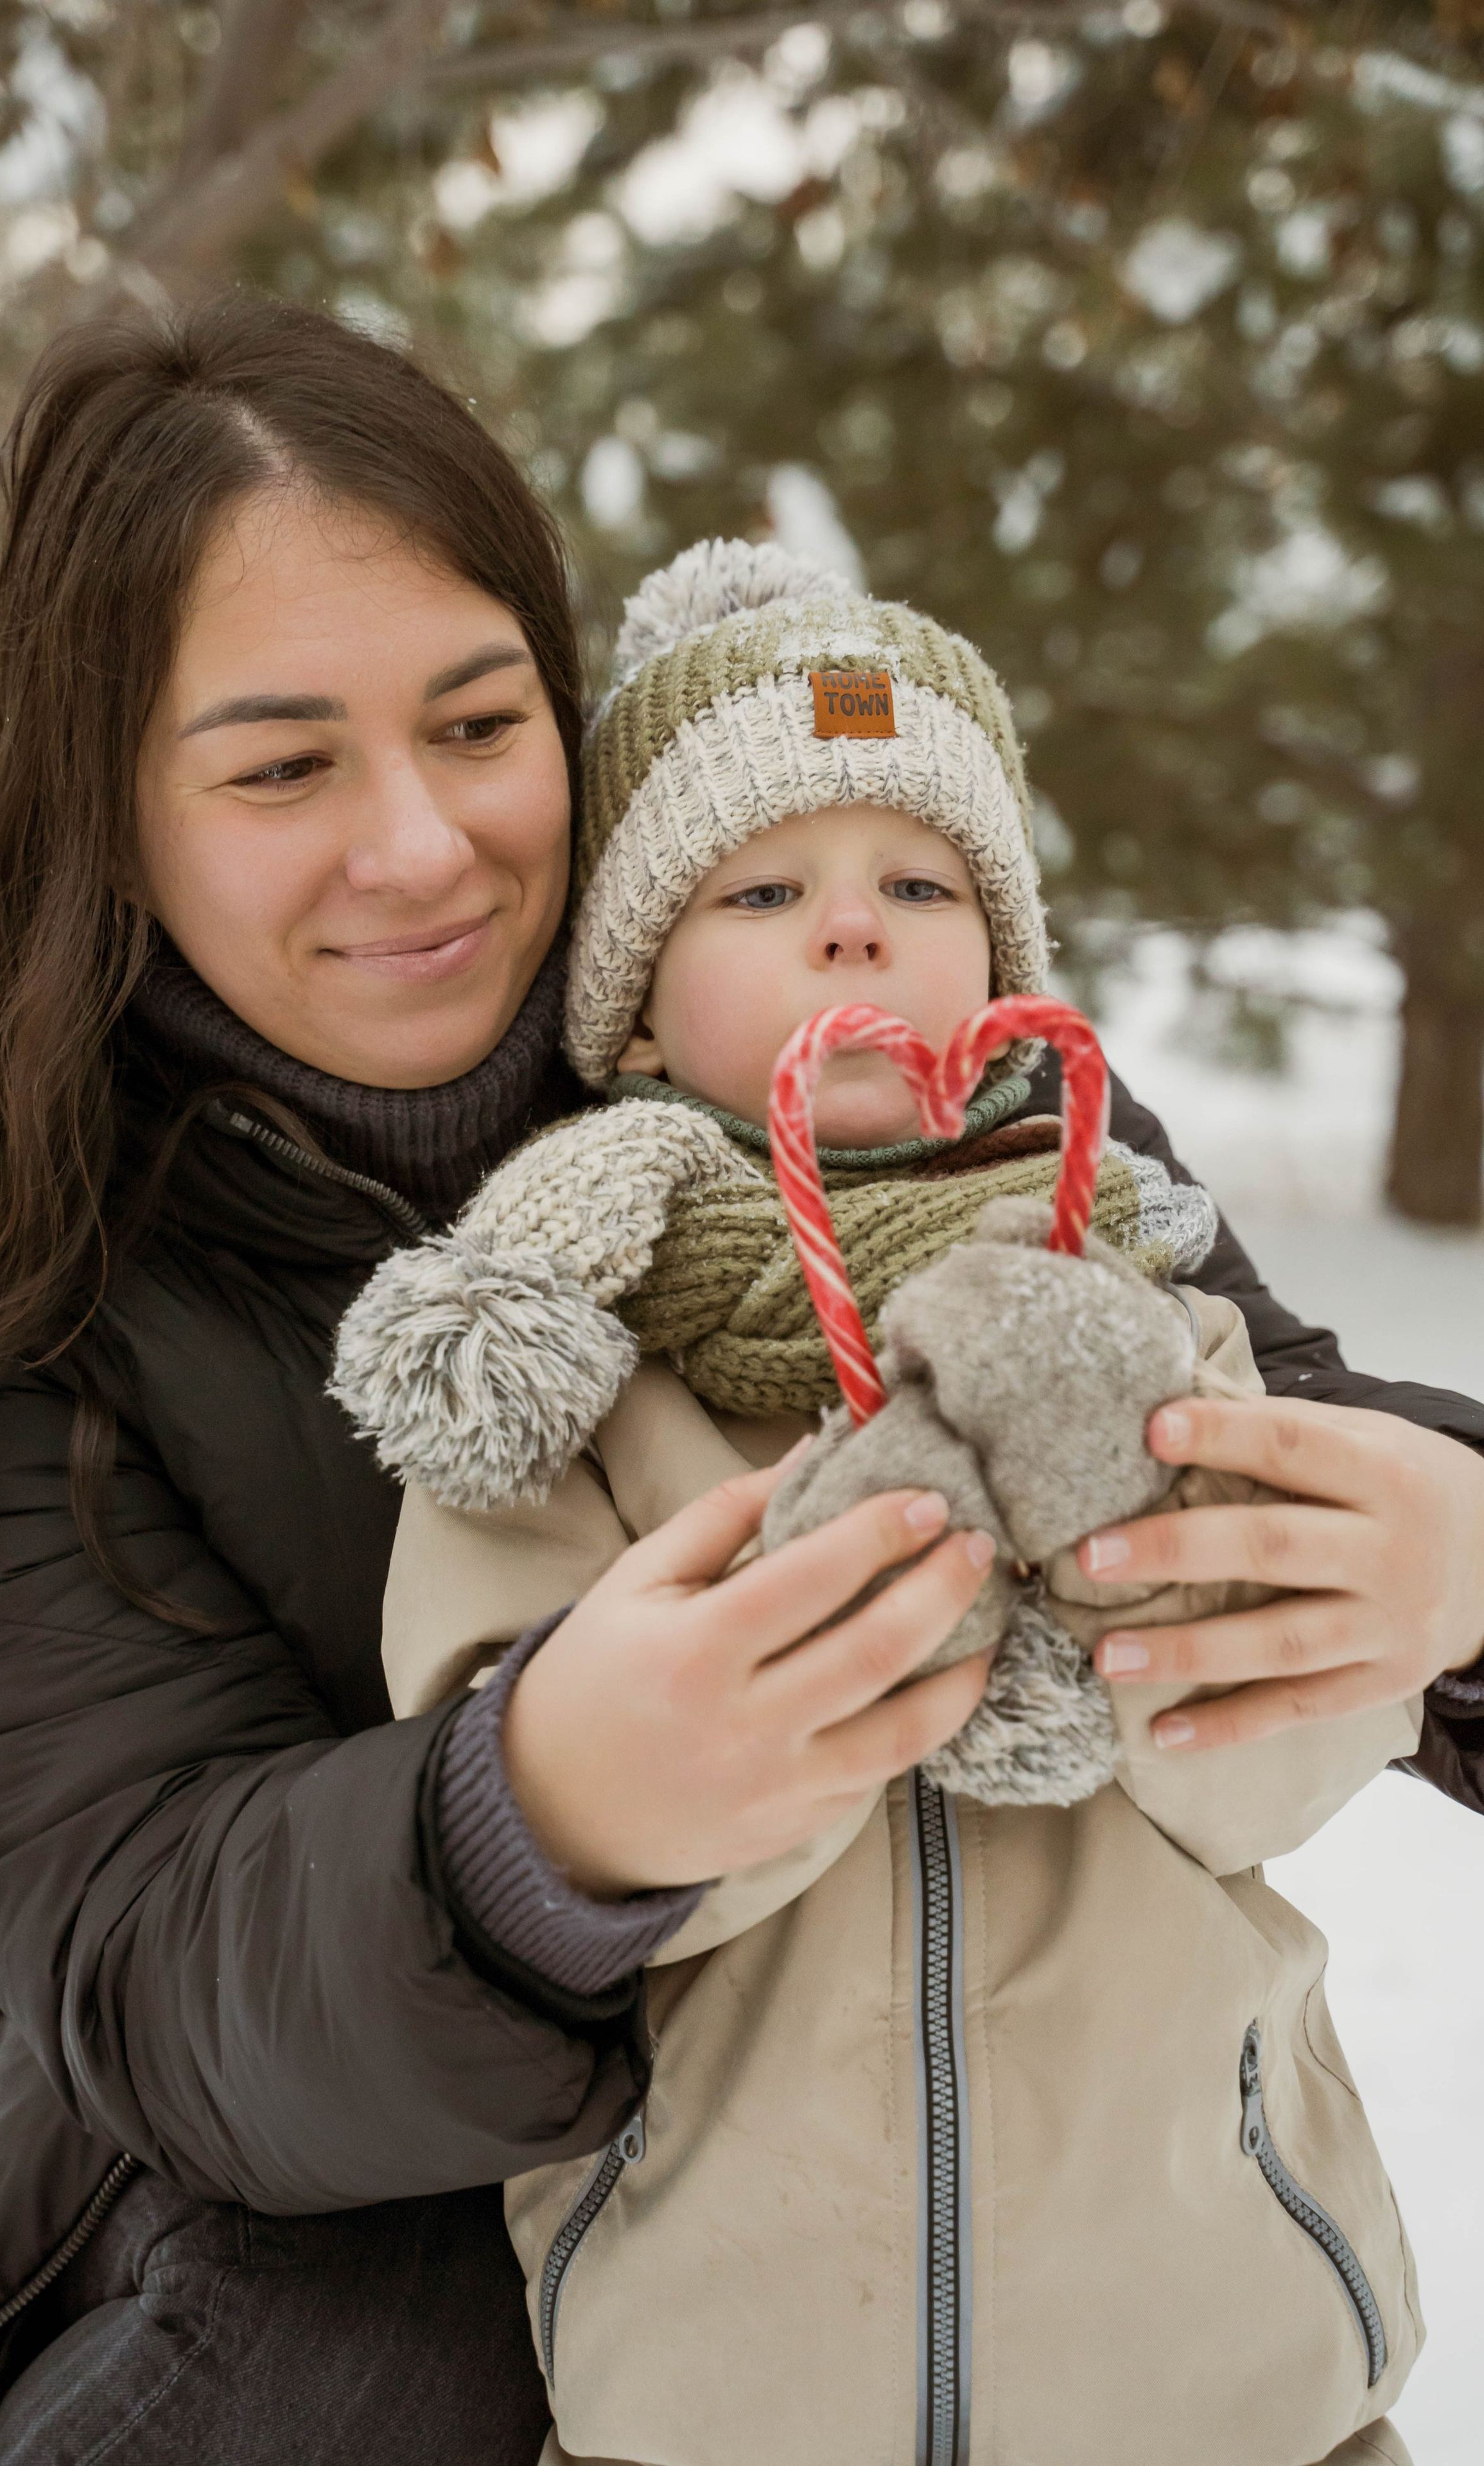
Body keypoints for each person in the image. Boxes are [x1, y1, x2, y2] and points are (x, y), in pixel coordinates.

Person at [0, 293, 1480, 2466]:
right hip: (109, 2215)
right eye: (279, 766)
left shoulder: (911, 1109)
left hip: (793, 2187)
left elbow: (1278, 1425)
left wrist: (1455, 1557)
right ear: (106, 812)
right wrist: (546, 1818)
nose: (419, 846)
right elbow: (155, 1960)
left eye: (478, 723)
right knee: (430, 2307)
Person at [338, 539, 1469, 2466]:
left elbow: (1266, 1771)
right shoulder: (583, 1388)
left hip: (1228, 2369)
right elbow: (530, 1837)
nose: (851, 929)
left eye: (920, 884)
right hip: (711, 2395)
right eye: (762, 887)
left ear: (1006, 964)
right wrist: (856, 1594)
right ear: (629, 1008)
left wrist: (1134, 1553)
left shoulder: (1146, 1302)